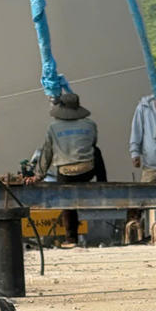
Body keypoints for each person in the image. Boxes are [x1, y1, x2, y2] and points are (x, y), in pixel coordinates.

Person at [26, 92, 98, 248]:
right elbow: (92, 143)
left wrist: (38, 176)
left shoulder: (53, 127)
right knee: (96, 152)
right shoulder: (90, 124)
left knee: (67, 201)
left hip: (66, 173)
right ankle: (103, 183)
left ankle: (71, 238)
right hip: (88, 171)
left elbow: (47, 153)